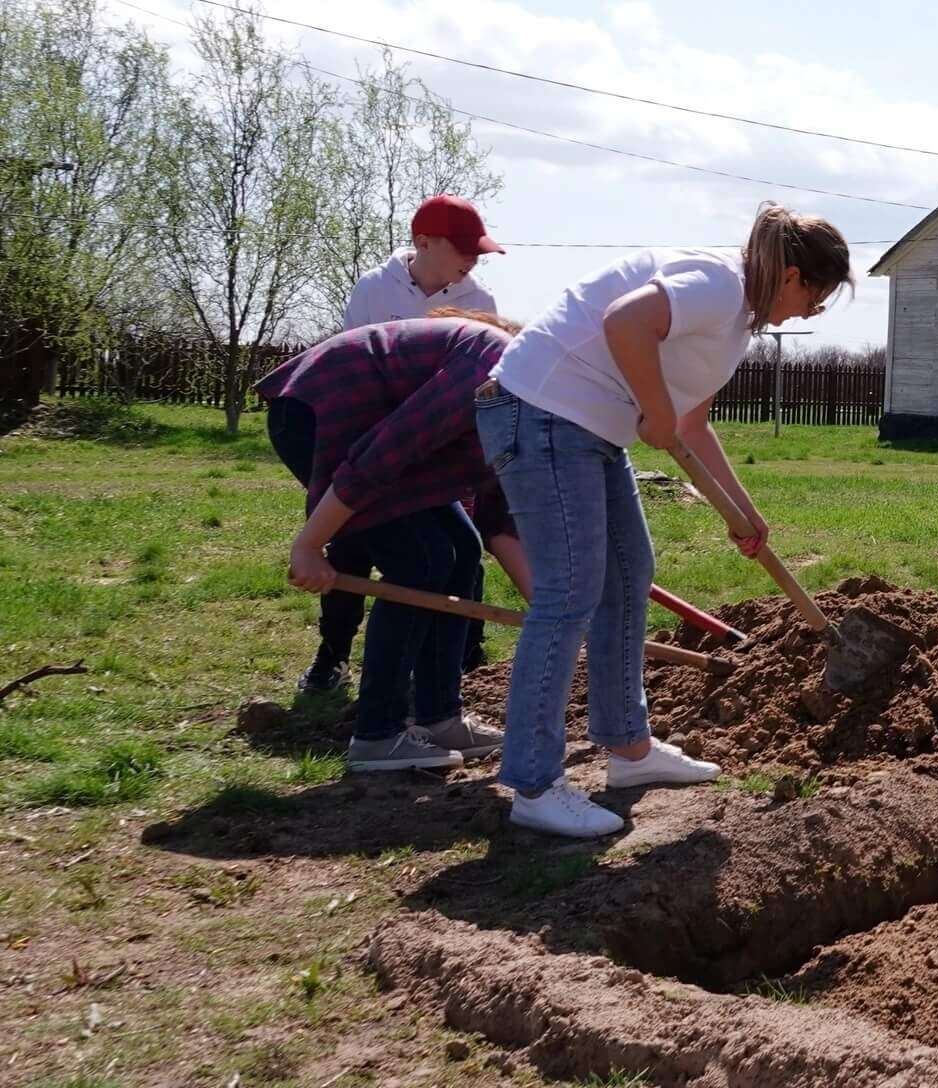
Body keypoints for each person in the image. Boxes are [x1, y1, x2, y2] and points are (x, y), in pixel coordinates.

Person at [478, 204, 850, 837]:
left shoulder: (737, 323)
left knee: (627, 576)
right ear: (791, 275)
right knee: (569, 592)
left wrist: (742, 511)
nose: (812, 313)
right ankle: (535, 783)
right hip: (541, 412)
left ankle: (628, 751)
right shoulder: (719, 282)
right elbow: (625, 322)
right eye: (816, 297)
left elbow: (690, 426)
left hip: (587, 428)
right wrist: (651, 408)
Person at [260, 311, 529, 772]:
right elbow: (381, 456)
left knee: (460, 552)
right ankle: (377, 734)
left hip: (371, 427)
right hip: (320, 410)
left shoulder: (522, 410)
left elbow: (493, 516)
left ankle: (439, 717)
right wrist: (309, 546)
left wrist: (549, 609)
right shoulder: (493, 369)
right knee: (420, 561)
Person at [305, 195, 508, 697]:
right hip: (369, 438)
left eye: (477, 250)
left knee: (461, 546)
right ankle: (331, 657)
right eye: (463, 248)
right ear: (423, 243)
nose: (473, 259)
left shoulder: (479, 301)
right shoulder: (375, 288)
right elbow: (361, 374)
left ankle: (459, 660)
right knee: (352, 543)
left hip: (440, 446)